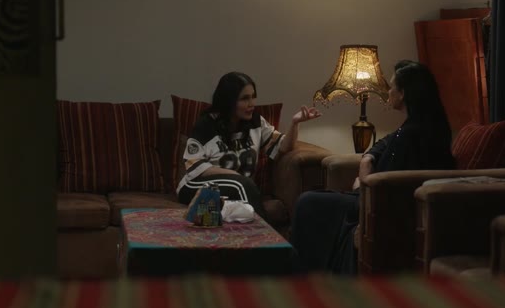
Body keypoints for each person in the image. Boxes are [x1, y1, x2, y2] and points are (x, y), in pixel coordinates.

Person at [290, 60, 455, 274]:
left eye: (392, 86)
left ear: (403, 94)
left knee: (308, 202)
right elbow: (383, 143)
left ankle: (302, 275)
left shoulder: (411, 135)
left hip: (381, 206)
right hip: (371, 198)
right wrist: (368, 158)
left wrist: (362, 187)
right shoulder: (420, 125)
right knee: (314, 201)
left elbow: (391, 185)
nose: (388, 91)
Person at [176, 72, 321, 221]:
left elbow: (281, 148)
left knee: (240, 200)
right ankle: (263, 232)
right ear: (229, 101)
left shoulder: (255, 121)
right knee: (240, 185)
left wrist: (295, 123)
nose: (251, 103)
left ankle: (223, 214)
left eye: (253, 97)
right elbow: (196, 166)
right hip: (195, 186)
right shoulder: (206, 125)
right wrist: (236, 177)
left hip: (238, 189)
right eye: (245, 98)